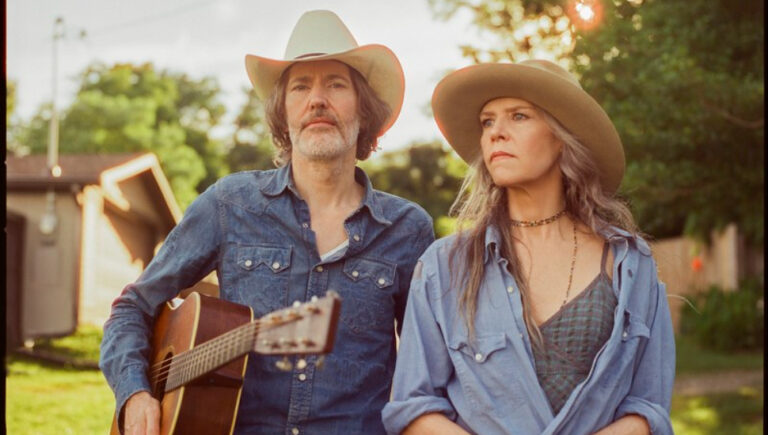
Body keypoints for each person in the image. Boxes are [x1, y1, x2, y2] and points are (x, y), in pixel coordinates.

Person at [100, 10, 434, 434]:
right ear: (283, 113)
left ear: (364, 110)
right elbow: (132, 307)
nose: (318, 99)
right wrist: (135, 393)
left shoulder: (408, 229)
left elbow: (426, 370)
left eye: (335, 84)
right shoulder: (230, 204)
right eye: (300, 86)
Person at [382, 60, 675, 435]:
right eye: (488, 121)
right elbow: (413, 406)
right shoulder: (444, 266)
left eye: (518, 116)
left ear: (561, 137)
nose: (495, 134)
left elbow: (648, 406)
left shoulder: (630, 262)